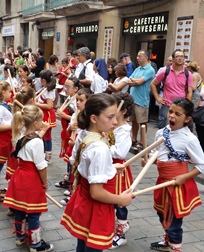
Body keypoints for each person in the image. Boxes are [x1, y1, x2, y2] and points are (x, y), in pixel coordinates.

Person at [60, 93, 134, 251]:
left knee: (83, 243)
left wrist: (111, 167)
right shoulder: (101, 148)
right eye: (110, 117)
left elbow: (80, 163)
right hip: (96, 207)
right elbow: (97, 192)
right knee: (92, 247)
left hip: (83, 199)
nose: (115, 122)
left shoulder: (85, 135)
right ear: (94, 118)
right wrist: (120, 199)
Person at [147, 98, 204, 252]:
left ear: (187, 119)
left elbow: (202, 165)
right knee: (161, 213)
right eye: (171, 112)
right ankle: (168, 240)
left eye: (177, 114)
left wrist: (184, 177)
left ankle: (175, 246)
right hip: (162, 181)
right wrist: (149, 160)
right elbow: (156, 153)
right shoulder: (161, 132)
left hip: (177, 185)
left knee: (174, 221)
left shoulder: (189, 139)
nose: (171, 116)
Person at [3, 105, 54, 252]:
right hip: (31, 178)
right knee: (33, 212)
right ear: (36, 123)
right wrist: (44, 183)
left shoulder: (20, 135)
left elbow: (33, 140)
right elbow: (41, 165)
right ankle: (36, 244)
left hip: (19, 176)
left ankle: (20, 237)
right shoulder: (37, 142)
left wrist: (42, 131)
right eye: (41, 120)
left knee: (19, 208)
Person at [110, 92, 135, 249]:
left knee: (119, 203)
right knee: (109, 201)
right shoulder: (111, 125)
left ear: (124, 110)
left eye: (115, 106)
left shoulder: (124, 131)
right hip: (108, 168)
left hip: (118, 171)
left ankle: (121, 233)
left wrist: (102, 146)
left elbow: (120, 153)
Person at [150, 49, 193, 129]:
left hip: (181, 107)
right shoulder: (165, 71)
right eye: (177, 56)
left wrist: (187, 105)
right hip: (167, 105)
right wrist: (157, 98)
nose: (180, 58)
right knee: (164, 129)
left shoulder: (188, 74)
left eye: (181, 56)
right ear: (173, 59)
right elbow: (153, 84)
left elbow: (189, 91)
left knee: (178, 128)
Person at [55, 77, 81, 191]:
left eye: (68, 87)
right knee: (67, 155)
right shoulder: (69, 98)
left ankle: (71, 180)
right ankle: (68, 177)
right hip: (67, 130)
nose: (65, 89)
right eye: (64, 86)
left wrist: (64, 116)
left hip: (73, 132)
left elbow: (77, 118)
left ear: (75, 89)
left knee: (71, 156)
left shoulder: (77, 101)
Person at [128, 50, 156, 152]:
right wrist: (136, 81)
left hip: (142, 100)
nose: (137, 58)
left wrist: (135, 81)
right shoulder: (138, 69)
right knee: (134, 121)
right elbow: (129, 80)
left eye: (140, 56)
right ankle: (134, 138)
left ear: (146, 57)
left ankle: (142, 141)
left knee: (142, 122)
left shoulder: (150, 70)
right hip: (133, 99)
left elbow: (140, 82)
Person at [36, 70, 57, 163]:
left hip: (47, 115)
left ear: (43, 80)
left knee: (47, 136)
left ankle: (48, 157)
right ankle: (43, 153)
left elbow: (49, 106)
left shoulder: (49, 91)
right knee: (43, 135)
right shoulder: (44, 88)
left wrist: (36, 103)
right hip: (42, 114)